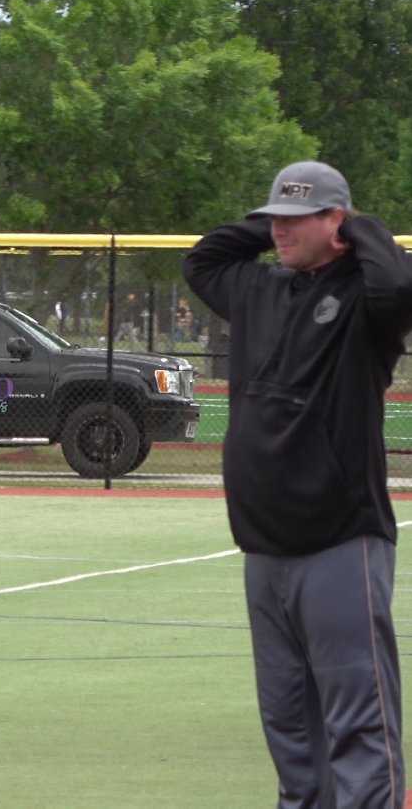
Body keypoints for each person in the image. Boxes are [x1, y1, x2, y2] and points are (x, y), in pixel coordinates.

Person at [183, 161, 412, 808]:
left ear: (334, 220)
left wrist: (357, 228)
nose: (278, 231)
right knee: (289, 726)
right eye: (272, 219)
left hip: (339, 539)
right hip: (263, 545)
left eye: (294, 219)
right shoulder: (256, 289)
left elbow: (399, 283)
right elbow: (201, 260)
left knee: (358, 718)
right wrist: (272, 223)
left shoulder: (364, 302)